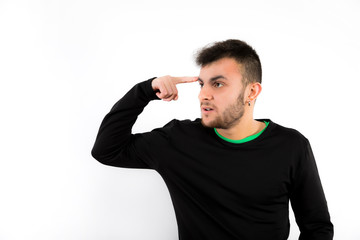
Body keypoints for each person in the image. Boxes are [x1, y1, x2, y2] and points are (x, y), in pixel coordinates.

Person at [91, 39, 333, 240]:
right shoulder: (178, 140)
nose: (203, 94)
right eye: (201, 84)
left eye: (218, 84)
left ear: (251, 92)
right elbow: (107, 150)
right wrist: (145, 90)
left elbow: (317, 228)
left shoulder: (291, 146)